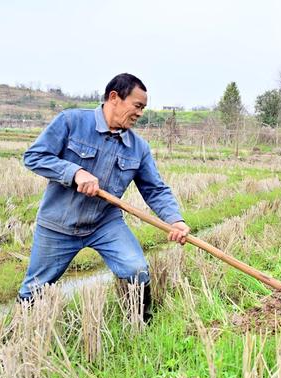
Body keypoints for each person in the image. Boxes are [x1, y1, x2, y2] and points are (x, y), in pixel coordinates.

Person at [18, 73, 189, 323]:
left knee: (136, 269)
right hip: (58, 223)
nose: (140, 113)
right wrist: (74, 172)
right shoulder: (71, 121)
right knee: (36, 287)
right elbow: (34, 157)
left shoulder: (138, 148)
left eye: (143, 108)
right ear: (114, 97)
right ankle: (21, 333)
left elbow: (155, 189)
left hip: (104, 223)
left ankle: (141, 326)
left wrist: (175, 220)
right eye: (137, 106)